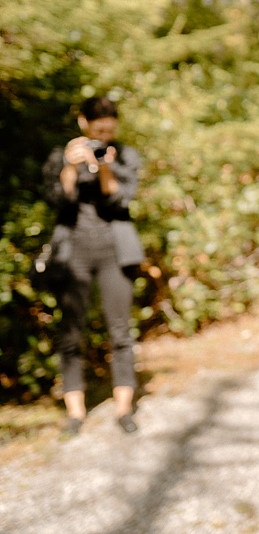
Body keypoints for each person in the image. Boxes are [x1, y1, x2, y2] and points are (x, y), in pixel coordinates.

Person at [43, 95, 144, 436]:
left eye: (109, 132)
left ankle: (124, 409)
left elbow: (119, 200)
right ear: (83, 123)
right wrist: (70, 166)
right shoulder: (61, 156)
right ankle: (75, 413)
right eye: (98, 131)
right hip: (74, 253)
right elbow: (57, 200)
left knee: (120, 331)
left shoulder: (125, 155)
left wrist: (104, 166)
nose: (103, 138)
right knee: (71, 333)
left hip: (115, 253)